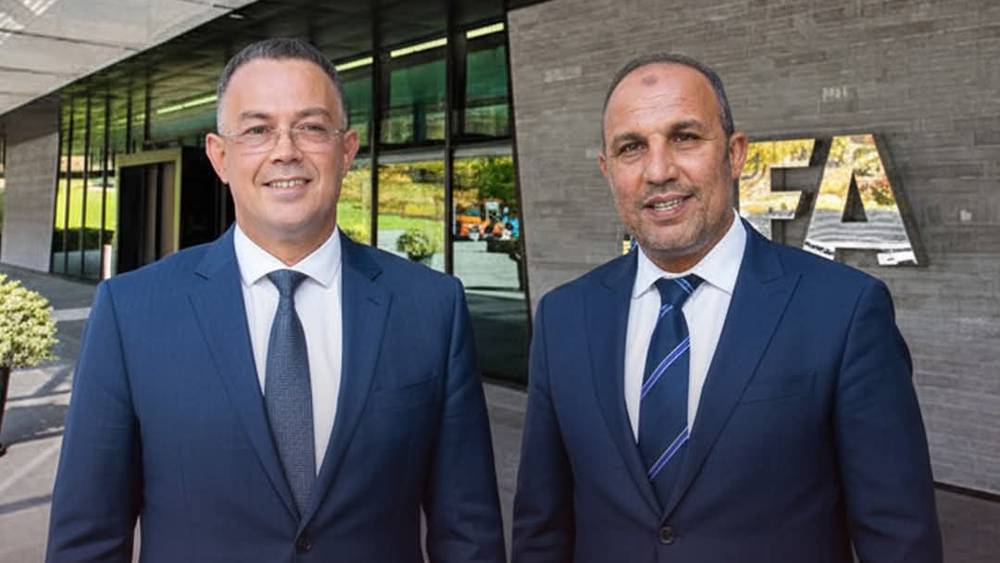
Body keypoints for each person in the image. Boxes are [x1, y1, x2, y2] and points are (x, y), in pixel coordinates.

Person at [47, 38, 505, 563]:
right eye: (257, 130)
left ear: (347, 150)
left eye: (311, 127)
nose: (285, 150)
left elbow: (468, 533)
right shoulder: (130, 312)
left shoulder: (431, 307)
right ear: (219, 156)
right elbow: (87, 540)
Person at [512, 53, 941, 562]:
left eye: (685, 137)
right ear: (608, 171)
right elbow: (542, 527)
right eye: (632, 148)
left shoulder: (844, 311)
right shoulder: (564, 317)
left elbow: (897, 534)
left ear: (735, 155)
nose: (658, 171)